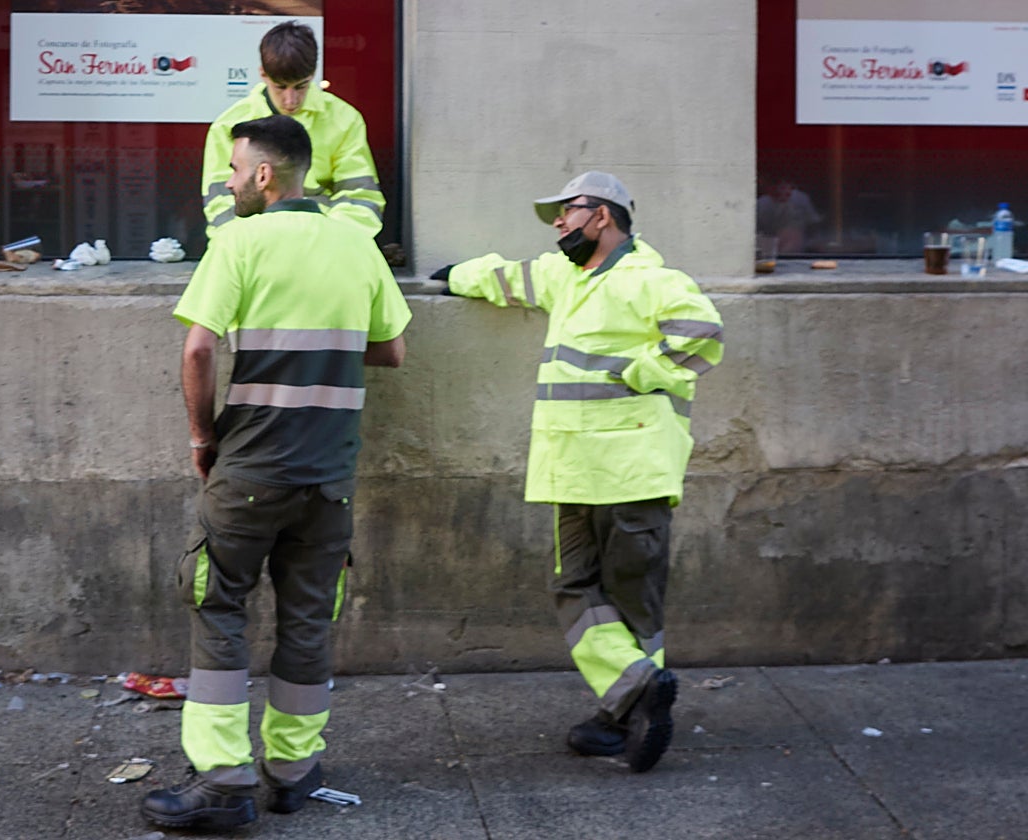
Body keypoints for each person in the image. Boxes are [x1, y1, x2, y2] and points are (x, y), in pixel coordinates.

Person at [142, 115, 411, 831]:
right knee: (307, 618)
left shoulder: (239, 241)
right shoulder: (357, 246)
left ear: (265, 174)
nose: (228, 182)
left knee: (220, 605)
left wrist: (203, 436)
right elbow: (392, 352)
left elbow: (199, 351)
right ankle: (292, 771)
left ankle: (225, 780)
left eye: (233, 170)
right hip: (329, 477)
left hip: (252, 467)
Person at [433, 171, 724, 772]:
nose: (560, 222)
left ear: (604, 216)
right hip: (575, 470)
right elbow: (505, 277)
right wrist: (451, 275)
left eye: (569, 211)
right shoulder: (567, 276)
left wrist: (641, 371)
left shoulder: (651, 279)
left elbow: (703, 334)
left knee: (631, 601)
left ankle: (625, 719)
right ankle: (635, 688)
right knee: (582, 590)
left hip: (631, 472)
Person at [201, 20, 384, 240]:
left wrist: (329, 244)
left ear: (314, 74)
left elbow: (360, 199)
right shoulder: (227, 126)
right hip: (256, 247)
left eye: (301, 86)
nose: (290, 100)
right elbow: (220, 206)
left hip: (322, 244)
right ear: (263, 74)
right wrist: (255, 246)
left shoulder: (344, 119)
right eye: (280, 86)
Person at [756, 176, 821, 253]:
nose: (781, 191)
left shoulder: (801, 199)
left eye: (784, 187)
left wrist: (813, 242)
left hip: (800, 252)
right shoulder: (761, 204)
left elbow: (813, 223)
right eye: (775, 188)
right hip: (771, 248)